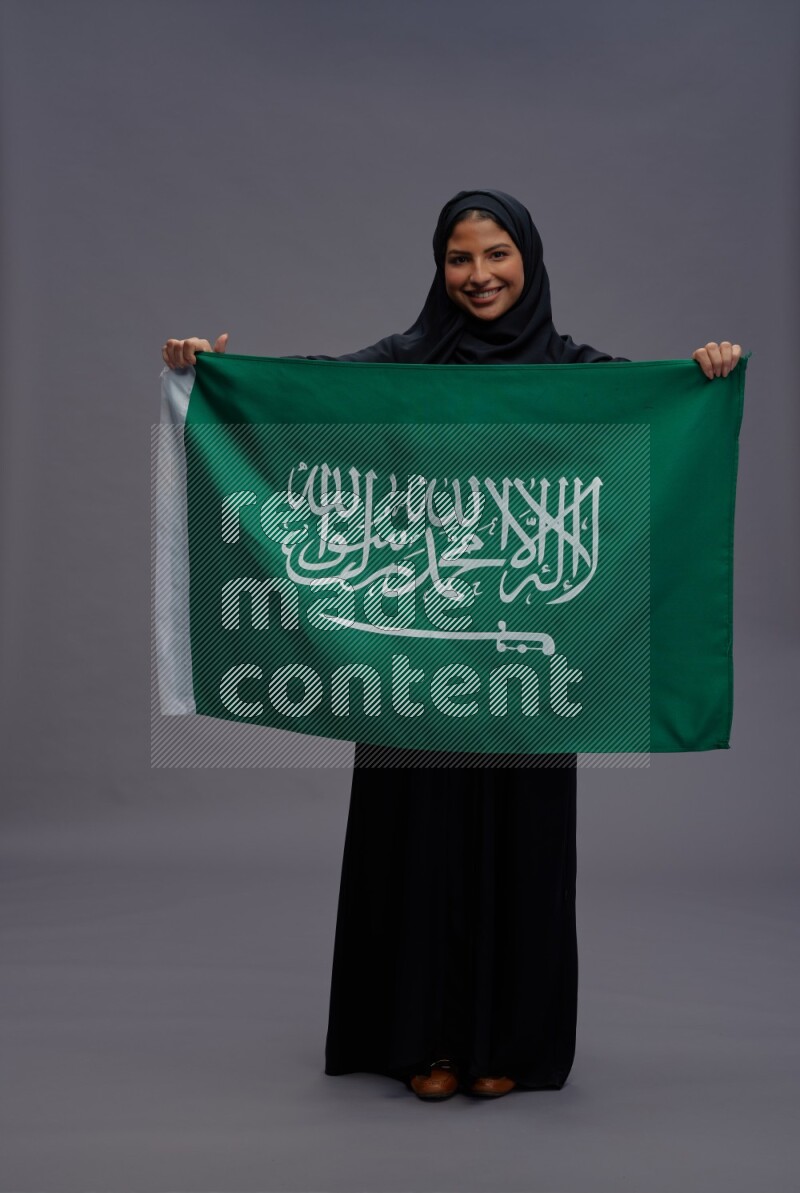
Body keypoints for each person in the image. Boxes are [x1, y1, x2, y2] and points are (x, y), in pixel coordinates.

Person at [162, 188, 742, 1102]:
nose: (479, 276)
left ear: (532, 260)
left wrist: (707, 372)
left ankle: (505, 1040)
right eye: (460, 259)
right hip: (411, 667)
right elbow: (309, 394)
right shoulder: (403, 363)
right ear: (439, 267)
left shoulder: (574, 373)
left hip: (525, 672)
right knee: (416, 846)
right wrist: (212, 374)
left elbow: (657, 414)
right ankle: (422, 1043)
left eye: (498, 255)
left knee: (524, 846)